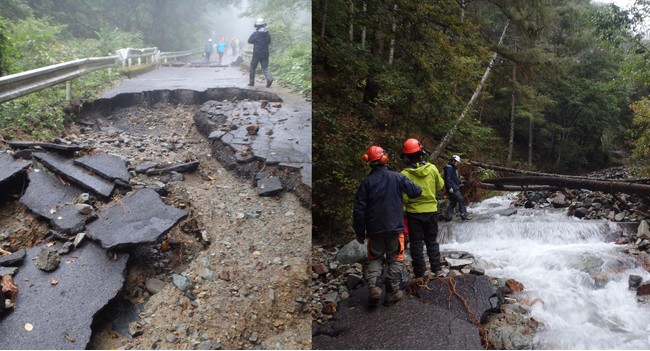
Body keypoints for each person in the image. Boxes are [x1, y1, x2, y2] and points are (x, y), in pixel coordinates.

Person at [353, 145, 422, 307]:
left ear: (369, 161)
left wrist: (359, 230)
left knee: (375, 259)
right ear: (384, 159)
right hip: (395, 228)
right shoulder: (397, 177)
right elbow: (416, 191)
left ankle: (375, 289)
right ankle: (392, 293)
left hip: (374, 229)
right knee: (395, 259)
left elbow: (359, 210)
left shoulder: (366, 183)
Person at [400, 138, 446, 280]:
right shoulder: (432, 169)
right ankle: (437, 269)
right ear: (421, 153)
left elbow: (404, 197)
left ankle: (420, 273)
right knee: (431, 241)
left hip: (414, 213)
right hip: (431, 211)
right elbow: (440, 186)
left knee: (416, 243)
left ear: (407, 156)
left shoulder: (404, 174)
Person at [247, 18, 273, 87]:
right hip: (265, 54)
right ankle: (269, 79)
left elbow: (249, 41)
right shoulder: (267, 33)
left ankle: (251, 82)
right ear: (263, 25)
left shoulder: (255, 33)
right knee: (265, 68)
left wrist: (256, 41)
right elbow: (269, 41)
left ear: (257, 25)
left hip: (256, 54)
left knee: (252, 67)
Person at [444, 155, 470, 221]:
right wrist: (450, 187)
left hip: (454, 187)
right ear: (454, 161)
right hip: (453, 188)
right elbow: (448, 178)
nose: (458, 164)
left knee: (453, 202)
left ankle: (448, 217)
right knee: (461, 200)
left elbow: (454, 178)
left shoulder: (453, 168)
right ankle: (464, 216)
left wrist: (460, 181)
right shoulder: (449, 167)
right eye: (457, 162)